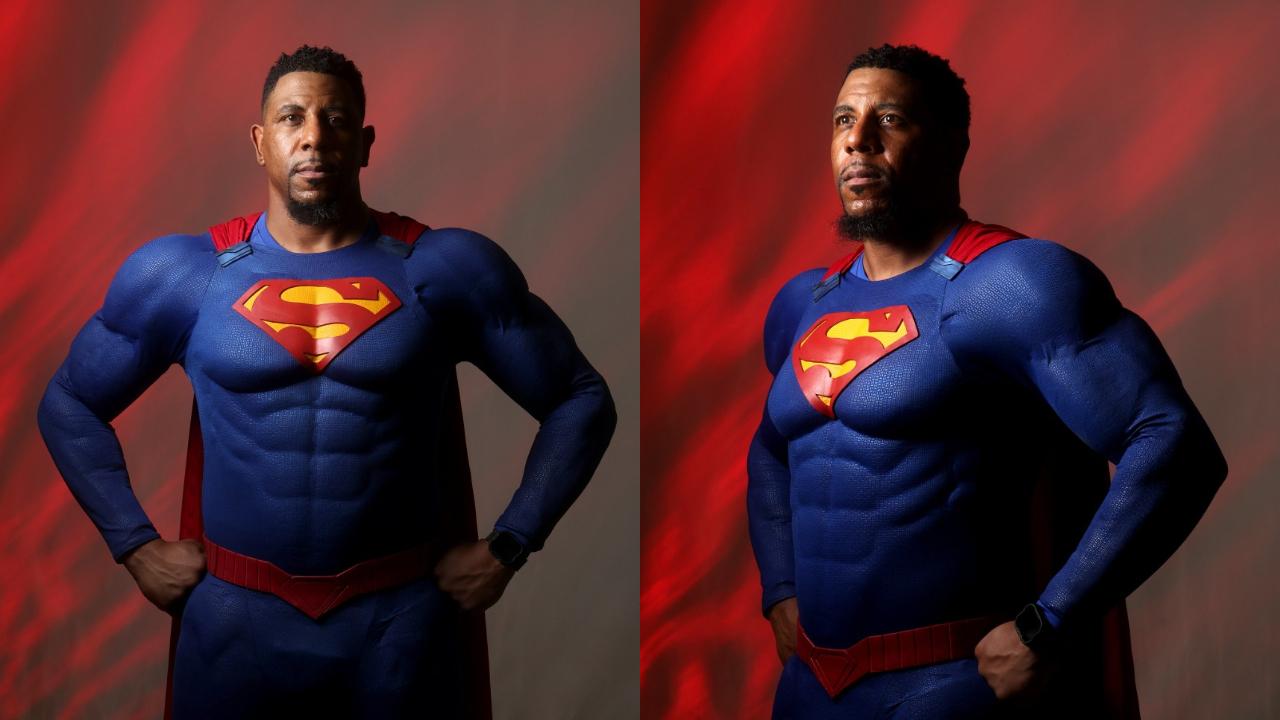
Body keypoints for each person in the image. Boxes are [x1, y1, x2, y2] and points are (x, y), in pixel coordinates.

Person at [37, 45, 615, 719]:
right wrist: (135, 545)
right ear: (261, 142)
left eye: (335, 119)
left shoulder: (445, 269)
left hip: (397, 624)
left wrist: (510, 544)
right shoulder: (185, 276)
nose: (313, 136)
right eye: (292, 118)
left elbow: (580, 399)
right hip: (235, 622)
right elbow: (69, 402)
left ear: (364, 144)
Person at [747, 43, 1226, 719]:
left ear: (953, 145)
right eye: (842, 120)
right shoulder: (801, 304)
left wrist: (1047, 625)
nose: (857, 140)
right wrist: (779, 589)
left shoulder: (1012, 285)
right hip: (810, 686)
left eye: (889, 119)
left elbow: (1173, 444)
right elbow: (772, 448)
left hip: (949, 685)